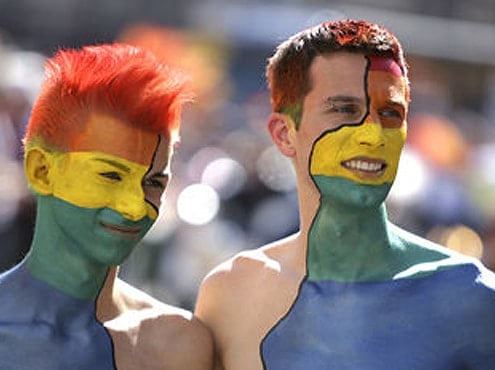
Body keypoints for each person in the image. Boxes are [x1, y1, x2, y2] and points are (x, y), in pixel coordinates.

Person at [194, 19, 495, 369]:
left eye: (390, 113)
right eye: (345, 110)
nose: (373, 134)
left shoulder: (470, 298)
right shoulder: (231, 293)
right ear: (283, 134)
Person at [0, 43, 213, 370]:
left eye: (154, 183)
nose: (135, 207)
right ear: (41, 170)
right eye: (110, 175)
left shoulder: (178, 344)